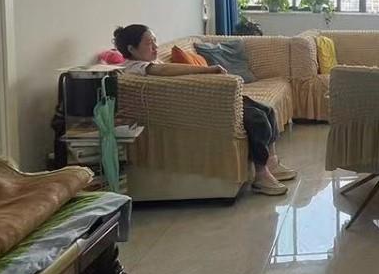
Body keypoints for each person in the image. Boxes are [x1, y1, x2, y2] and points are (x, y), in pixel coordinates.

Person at [112, 24, 296, 196]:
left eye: (155, 41)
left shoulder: (149, 62)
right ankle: (261, 174)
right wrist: (208, 70)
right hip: (198, 109)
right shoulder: (135, 67)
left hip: (206, 101)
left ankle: (271, 162)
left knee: (267, 110)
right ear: (131, 49)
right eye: (148, 43)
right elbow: (163, 70)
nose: (155, 47)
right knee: (256, 118)